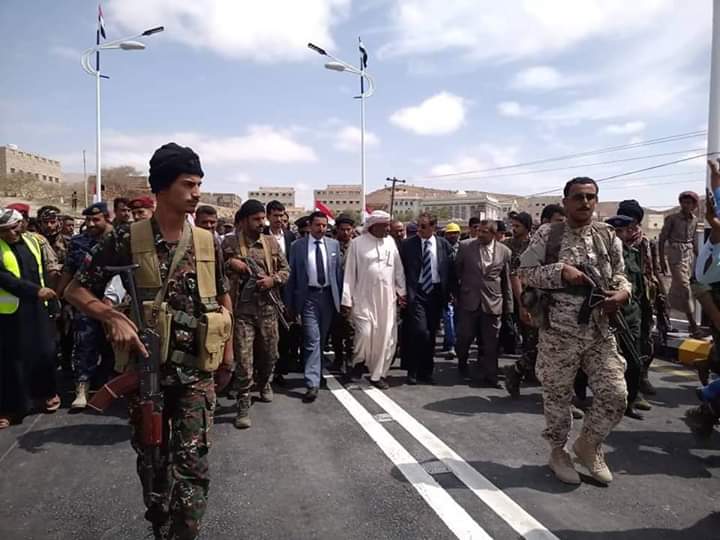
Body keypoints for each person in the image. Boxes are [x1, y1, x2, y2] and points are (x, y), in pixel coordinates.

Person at [65, 142, 233, 539]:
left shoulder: (208, 241)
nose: (196, 193)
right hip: (146, 373)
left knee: (193, 467)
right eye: (188, 184)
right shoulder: (125, 238)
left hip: (196, 372)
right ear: (162, 187)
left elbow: (223, 298)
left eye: (199, 184)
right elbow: (74, 290)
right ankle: (160, 523)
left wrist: (227, 356)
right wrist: (111, 316)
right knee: (153, 465)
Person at [519, 176, 630, 486]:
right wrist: (560, 272)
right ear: (565, 201)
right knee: (557, 397)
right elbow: (525, 272)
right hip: (559, 332)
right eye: (578, 197)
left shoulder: (607, 235)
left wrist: (623, 293)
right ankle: (558, 452)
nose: (585, 202)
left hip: (599, 330)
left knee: (616, 394)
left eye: (590, 197)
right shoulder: (548, 234)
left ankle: (589, 444)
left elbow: (621, 275)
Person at [222, 199, 289, 429]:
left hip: (268, 310)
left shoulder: (270, 242)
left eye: (263, 219)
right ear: (244, 221)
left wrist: (272, 280)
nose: (262, 223)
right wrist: (232, 264)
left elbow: (286, 269)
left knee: (270, 354)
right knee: (244, 360)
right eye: (256, 219)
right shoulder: (230, 242)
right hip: (242, 312)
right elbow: (217, 269)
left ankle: (265, 382)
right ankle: (243, 403)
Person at [0, 208, 60, 428]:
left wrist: (51, 300)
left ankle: (46, 394)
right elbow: (4, 278)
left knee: (44, 352)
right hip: (9, 312)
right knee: (12, 360)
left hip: (37, 307)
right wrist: (35, 291)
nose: (10, 234)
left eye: (13, 229)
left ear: (22, 224)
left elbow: (42, 272)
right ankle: (11, 409)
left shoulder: (34, 241)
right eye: (4, 231)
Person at [56, 203, 115, 409]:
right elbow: (69, 270)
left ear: (107, 218)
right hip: (85, 300)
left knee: (112, 345)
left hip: (115, 303)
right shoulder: (78, 242)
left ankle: (109, 384)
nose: (90, 224)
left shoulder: (120, 240)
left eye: (95, 220)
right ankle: (82, 387)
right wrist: (61, 297)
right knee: (84, 342)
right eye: (88, 220)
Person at [341, 210, 406, 389]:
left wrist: (402, 292)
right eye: (385, 226)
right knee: (365, 333)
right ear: (373, 226)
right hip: (362, 298)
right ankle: (358, 362)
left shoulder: (390, 242)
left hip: (387, 299)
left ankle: (378, 375)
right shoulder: (357, 244)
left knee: (385, 337)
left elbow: (398, 269)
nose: (388, 229)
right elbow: (349, 273)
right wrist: (346, 300)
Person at [285, 211, 343, 402]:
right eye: (317, 225)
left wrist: (342, 300)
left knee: (321, 339)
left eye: (324, 225)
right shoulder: (297, 246)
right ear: (310, 226)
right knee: (312, 338)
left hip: (328, 297)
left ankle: (316, 373)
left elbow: (338, 274)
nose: (321, 229)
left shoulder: (333, 245)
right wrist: (290, 304)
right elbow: (292, 276)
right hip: (308, 297)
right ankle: (312, 383)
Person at [455, 220, 513, 386]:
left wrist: (509, 306)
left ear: (494, 234)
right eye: (479, 231)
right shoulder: (465, 247)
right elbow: (457, 271)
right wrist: (458, 293)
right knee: (465, 337)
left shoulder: (505, 252)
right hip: (469, 300)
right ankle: (462, 362)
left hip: (492, 302)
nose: (479, 234)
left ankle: (491, 376)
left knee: (491, 342)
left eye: (484, 232)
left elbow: (506, 281)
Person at [400, 213, 455, 385]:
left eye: (423, 226)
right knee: (419, 331)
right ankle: (413, 370)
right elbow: (400, 270)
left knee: (430, 334)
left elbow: (450, 270)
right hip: (416, 293)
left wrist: (452, 292)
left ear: (433, 227)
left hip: (435, 293)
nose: (419, 229)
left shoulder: (443, 245)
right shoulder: (407, 245)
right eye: (418, 225)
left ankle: (426, 371)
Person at [606, 215, 649, 420]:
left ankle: (628, 402)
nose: (619, 235)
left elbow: (638, 288)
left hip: (632, 316)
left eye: (621, 231)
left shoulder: (633, 254)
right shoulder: (604, 257)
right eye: (615, 231)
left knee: (634, 362)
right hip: (610, 317)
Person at [502, 211, 538, 397]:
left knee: (531, 337)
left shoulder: (535, 246)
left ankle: (525, 369)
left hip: (532, 297)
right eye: (512, 226)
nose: (513, 229)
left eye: (517, 226)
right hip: (511, 296)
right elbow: (512, 274)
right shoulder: (506, 245)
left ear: (527, 227)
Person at [264, 200, 298, 384]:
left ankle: (280, 371)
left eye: (281, 215)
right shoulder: (261, 235)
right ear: (268, 216)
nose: (279, 219)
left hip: (286, 291)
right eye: (275, 216)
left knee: (285, 331)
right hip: (266, 291)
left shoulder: (290, 237)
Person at [659, 190, 700, 336]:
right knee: (684, 287)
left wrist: (700, 259)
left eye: (689, 203)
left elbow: (693, 240)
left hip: (688, 256)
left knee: (675, 289)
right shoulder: (672, 219)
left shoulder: (694, 220)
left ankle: (663, 318)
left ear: (694, 205)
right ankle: (692, 324)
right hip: (675, 255)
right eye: (683, 202)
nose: (686, 205)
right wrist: (662, 260)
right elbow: (662, 239)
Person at [330, 214, 355, 373]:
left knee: (351, 329)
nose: (345, 233)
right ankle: (338, 359)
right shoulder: (331, 246)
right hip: (334, 294)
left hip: (352, 295)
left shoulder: (356, 246)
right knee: (336, 330)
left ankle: (350, 360)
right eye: (342, 230)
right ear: (337, 230)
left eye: (348, 230)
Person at [441, 222, 461, 358]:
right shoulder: (441, 248)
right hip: (445, 288)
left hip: (460, 288)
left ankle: (455, 343)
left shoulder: (464, 249)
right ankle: (450, 344)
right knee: (448, 316)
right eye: (449, 233)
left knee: (458, 317)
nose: (452, 236)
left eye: (455, 233)